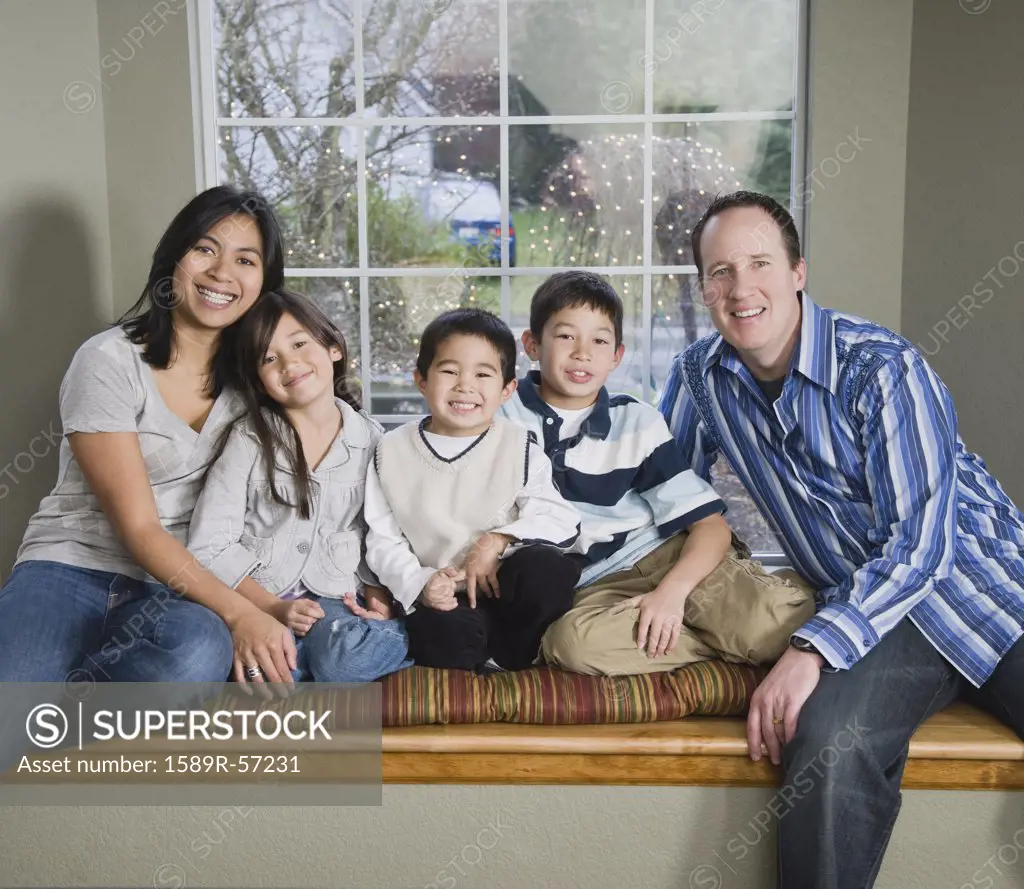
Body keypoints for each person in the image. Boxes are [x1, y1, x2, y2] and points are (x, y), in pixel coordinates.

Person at [660, 190, 1024, 889]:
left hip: (986, 590)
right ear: (703, 286)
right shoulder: (702, 379)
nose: (741, 288)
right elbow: (663, 493)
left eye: (760, 263)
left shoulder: (883, 366)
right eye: (720, 271)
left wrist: (811, 646)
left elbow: (921, 545)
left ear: (799, 271)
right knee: (828, 742)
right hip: (876, 619)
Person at [0, 185, 297, 688]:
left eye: (245, 260)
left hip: (173, 591)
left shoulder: (260, 380)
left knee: (197, 652)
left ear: (264, 281)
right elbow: (139, 529)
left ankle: (60, 724)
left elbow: (336, 450)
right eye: (205, 248)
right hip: (69, 566)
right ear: (173, 259)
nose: (222, 273)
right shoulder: (108, 360)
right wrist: (241, 613)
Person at [500, 270, 815, 676]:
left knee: (773, 629)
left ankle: (762, 603)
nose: (582, 353)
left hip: (666, 558)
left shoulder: (636, 422)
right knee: (569, 646)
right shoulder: (502, 418)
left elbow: (710, 527)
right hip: (595, 587)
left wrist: (672, 593)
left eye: (599, 340)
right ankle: (718, 637)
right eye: (565, 337)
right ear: (532, 345)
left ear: (617, 356)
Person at [188, 289, 411, 683]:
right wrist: (270, 607)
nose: (289, 364)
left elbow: (381, 532)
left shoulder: (374, 441)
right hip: (254, 597)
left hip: (335, 602)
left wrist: (380, 594)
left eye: (300, 344)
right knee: (220, 660)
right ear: (258, 379)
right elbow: (209, 544)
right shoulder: (248, 440)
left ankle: (403, 637)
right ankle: (289, 661)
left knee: (341, 660)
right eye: (269, 358)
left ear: (333, 348)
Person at [363, 308, 583, 672]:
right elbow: (382, 539)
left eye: (483, 374)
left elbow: (560, 519)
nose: (465, 385)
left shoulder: (518, 446)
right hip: (444, 593)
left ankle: (517, 648)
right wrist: (421, 583)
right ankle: (483, 649)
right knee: (444, 638)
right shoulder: (391, 451)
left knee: (548, 572)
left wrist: (498, 539)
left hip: (502, 582)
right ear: (421, 379)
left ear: (507, 389)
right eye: (449, 371)